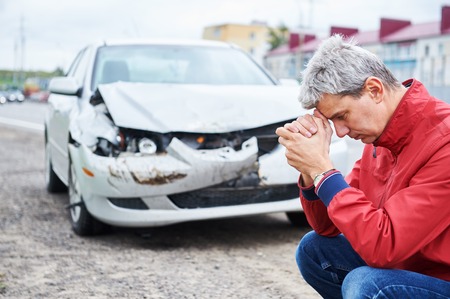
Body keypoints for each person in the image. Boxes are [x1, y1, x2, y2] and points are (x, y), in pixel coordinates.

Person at [276, 34, 450, 299]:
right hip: (407, 269)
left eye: (342, 116)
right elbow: (328, 227)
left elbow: (384, 246)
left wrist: (323, 170)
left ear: (374, 90)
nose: (342, 132)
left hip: (441, 279)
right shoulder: (380, 136)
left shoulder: (443, 141)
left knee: (369, 284)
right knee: (314, 249)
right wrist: (310, 168)